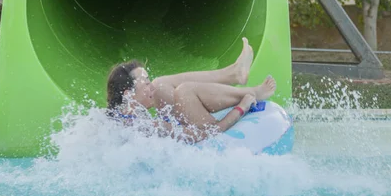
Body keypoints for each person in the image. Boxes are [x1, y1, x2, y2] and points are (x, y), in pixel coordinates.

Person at [106, 37, 277, 143]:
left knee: (161, 84)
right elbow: (209, 134)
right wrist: (242, 107)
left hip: (180, 130)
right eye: (145, 84)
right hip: (202, 140)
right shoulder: (144, 126)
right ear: (128, 95)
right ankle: (251, 92)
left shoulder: (124, 117)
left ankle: (233, 73)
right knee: (185, 91)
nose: (150, 87)